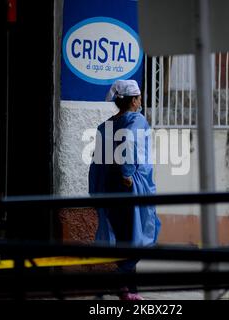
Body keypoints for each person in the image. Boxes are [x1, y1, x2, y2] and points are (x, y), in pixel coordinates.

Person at [88, 79, 161, 300]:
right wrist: (127, 174)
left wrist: (97, 188)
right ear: (133, 100)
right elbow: (130, 144)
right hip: (127, 186)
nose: (140, 102)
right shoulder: (136, 121)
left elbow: (97, 160)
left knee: (121, 235)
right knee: (136, 234)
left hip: (110, 186)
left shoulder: (106, 125)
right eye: (139, 98)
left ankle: (125, 288)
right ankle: (124, 285)